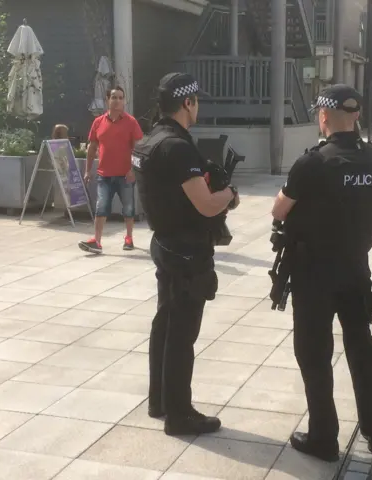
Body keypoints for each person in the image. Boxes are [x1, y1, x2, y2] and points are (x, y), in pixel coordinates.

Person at [271, 84, 372, 462]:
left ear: (323, 116)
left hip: (314, 274)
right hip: (356, 268)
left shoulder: (313, 163)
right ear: (355, 116)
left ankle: (324, 437)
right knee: (361, 347)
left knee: (314, 353)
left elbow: (279, 210)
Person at [134, 72, 239, 436]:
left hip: (163, 243)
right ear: (187, 103)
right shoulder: (177, 147)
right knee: (182, 333)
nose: (199, 107)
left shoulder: (149, 141)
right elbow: (207, 205)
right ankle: (180, 414)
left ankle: (159, 401)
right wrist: (230, 195)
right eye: (197, 101)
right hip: (187, 253)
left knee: (164, 324)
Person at [78, 86, 143, 254]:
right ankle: (97, 241)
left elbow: (139, 149)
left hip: (125, 175)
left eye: (121, 98)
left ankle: (129, 237)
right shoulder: (98, 122)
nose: (118, 101)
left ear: (124, 101)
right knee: (101, 207)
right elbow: (92, 147)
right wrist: (87, 170)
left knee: (128, 208)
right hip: (104, 175)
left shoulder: (131, 122)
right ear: (108, 100)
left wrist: (133, 169)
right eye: (114, 97)